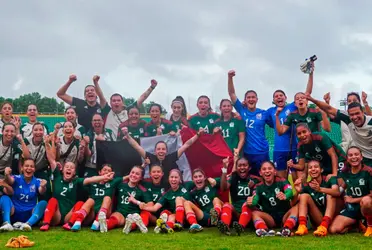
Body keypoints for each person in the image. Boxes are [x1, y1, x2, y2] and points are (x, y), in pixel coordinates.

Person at [40, 140, 114, 231]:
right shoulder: (57, 176)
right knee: (52, 200)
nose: (69, 169)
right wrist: (47, 144)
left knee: (80, 203)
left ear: (74, 172)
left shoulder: (76, 181)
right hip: (57, 215)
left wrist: (103, 177)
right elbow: (51, 159)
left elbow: (90, 179)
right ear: (62, 170)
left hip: (69, 215)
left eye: (72, 168)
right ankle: (46, 223)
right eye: (67, 167)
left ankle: (70, 224)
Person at [266, 69, 314, 178]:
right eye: (276, 96)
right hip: (279, 150)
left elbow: (306, 94)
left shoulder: (292, 107)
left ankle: (298, 195)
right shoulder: (270, 111)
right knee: (281, 179)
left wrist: (310, 74)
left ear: (285, 98)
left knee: (297, 179)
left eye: (281, 95)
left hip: (293, 148)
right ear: (273, 100)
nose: (279, 97)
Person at [308, 95, 372, 167]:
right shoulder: (346, 118)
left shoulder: (370, 122)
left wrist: (365, 102)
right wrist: (312, 99)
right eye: (352, 115)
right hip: (362, 156)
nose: (355, 117)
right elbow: (329, 109)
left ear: (363, 112)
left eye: (357, 113)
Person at [227, 70, 270, 174]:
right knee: (248, 179)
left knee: (263, 177)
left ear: (257, 99)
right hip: (247, 152)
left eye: (253, 97)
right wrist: (230, 77)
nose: (251, 99)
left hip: (262, 152)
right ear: (245, 100)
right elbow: (231, 93)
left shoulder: (263, 113)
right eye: (248, 97)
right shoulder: (242, 110)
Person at [123, 127, 203, 180]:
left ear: (166, 151)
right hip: (155, 187)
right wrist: (127, 135)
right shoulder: (150, 157)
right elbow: (137, 147)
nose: (161, 151)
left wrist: (198, 135)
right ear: (155, 151)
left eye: (163, 149)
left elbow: (186, 145)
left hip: (170, 187)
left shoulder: (172, 157)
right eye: (158, 149)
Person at [64, 164, 121, 233]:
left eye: (109, 171)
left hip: (105, 213)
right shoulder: (93, 182)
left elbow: (126, 178)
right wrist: (102, 177)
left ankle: (97, 222)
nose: (106, 172)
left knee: (107, 198)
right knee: (90, 200)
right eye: (104, 170)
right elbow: (85, 181)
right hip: (92, 213)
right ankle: (78, 222)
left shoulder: (113, 182)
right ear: (99, 172)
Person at [329, 147, 372, 236]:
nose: (353, 157)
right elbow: (339, 191)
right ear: (347, 159)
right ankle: (356, 224)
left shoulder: (368, 171)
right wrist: (320, 189)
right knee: (334, 229)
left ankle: (370, 226)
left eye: (356, 154)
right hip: (352, 208)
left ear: (361, 157)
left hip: (365, 206)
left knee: (367, 201)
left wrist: (353, 200)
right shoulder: (345, 172)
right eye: (350, 155)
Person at [247, 161, 298, 237]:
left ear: (274, 171)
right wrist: (251, 202)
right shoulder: (258, 186)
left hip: (285, 216)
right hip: (270, 218)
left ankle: (286, 229)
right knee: (254, 213)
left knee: (296, 208)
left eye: (270, 168)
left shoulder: (282, 181)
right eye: (264, 169)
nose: (267, 171)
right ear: (260, 173)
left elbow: (290, 192)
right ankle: (263, 230)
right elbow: (255, 199)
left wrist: (285, 195)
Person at [293, 159, 340, 237]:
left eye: (316, 167)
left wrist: (320, 189)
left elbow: (337, 192)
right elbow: (292, 204)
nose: (313, 169)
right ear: (308, 171)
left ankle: (324, 226)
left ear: (321, 170)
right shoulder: (307, 186)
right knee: (304, 196)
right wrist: (297, 191)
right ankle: (302, 226)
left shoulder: (330, 179)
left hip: (335, 218)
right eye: (310, 168)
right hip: (319, 219)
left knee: (330, 194)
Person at [101, 166, 151, 234]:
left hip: (133, 214)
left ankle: (130, 226)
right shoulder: (121, 185)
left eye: (137, 174)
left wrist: (137, 202)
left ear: (141, 178)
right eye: (132, 172)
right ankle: (104, 224)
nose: (133, 175)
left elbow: (151, 205)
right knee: (115, 218)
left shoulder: (142, 190)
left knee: (133, 219)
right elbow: (111, 185)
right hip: (120, 212)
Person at [218, 156, 261, 236]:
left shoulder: (255, 179)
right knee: (227, 205)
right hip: (236, 211)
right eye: (239, 165)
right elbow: (223, 188)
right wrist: (224, 169)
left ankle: (241, 226)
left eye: (244, 165)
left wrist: (254, 186)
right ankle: (225, 226)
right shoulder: (233, 177)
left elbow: (262, 190)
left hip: (250, 212)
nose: (242, 167)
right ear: (236, 167)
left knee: (246, 204)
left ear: (249, 167)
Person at [4, 159, 47, 231]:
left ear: (34, 169)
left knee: (43, 203)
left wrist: (43, 186)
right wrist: (7, 174)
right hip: (14, 213)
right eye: (26, 166)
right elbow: (10, 180)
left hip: (29, 214)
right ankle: (7, 224)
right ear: (22, 168)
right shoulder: (17, 178)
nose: (29, 168)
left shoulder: (37, 181)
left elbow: (41, 191)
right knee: (4, 198)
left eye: (31, 166)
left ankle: (28, 224)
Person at [183, 168, 224, 233]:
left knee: (215, 199)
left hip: (220, 214)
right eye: (195, 177)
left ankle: (215, 216)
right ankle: (194, 225)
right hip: (206, 216)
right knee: (187, 203)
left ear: (204, 177)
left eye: (200, 176)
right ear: (193, 180)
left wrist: (212, 180)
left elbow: (225, 181)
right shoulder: (193, 193)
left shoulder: (211, 183)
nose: (198, 179)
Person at [24, 123, 51, 200]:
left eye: (40, 130)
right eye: (35, 130)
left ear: (44, 131)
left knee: (46, 190)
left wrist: (48, 143)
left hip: (41, 170)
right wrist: (22, 174)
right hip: (28, 171)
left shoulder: (46, 141)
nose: (38, 132)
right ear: (32, 131)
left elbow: (52, 158)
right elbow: (21, 160)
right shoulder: (26, 141)